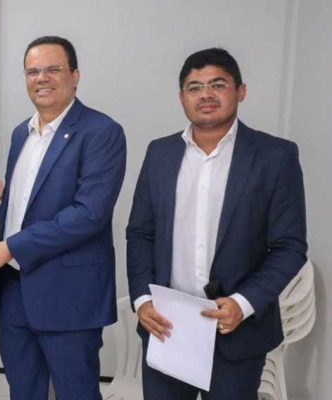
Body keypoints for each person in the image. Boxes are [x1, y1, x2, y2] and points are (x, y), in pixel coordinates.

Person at [126, 47, 307, 399]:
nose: (205, 94)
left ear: (240, 91)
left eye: (218, 84)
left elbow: (290, 247)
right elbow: (140, 234)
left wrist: (244, 302)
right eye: (194, 87)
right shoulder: (160, 153)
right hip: (168, 325)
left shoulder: (275, 156)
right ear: (182, 97)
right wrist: (143, 299)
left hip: (236, 329)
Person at [0, 36, 126, 400]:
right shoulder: (21, 133)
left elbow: (88, 214)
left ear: (75, 76)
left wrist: (12, 247)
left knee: (76, 393)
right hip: (15, 294)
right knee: (23, 392)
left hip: (69, 296)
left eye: (53, 69)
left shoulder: (101, 132)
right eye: (33, 71)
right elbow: (33, 203)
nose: (42, 78)